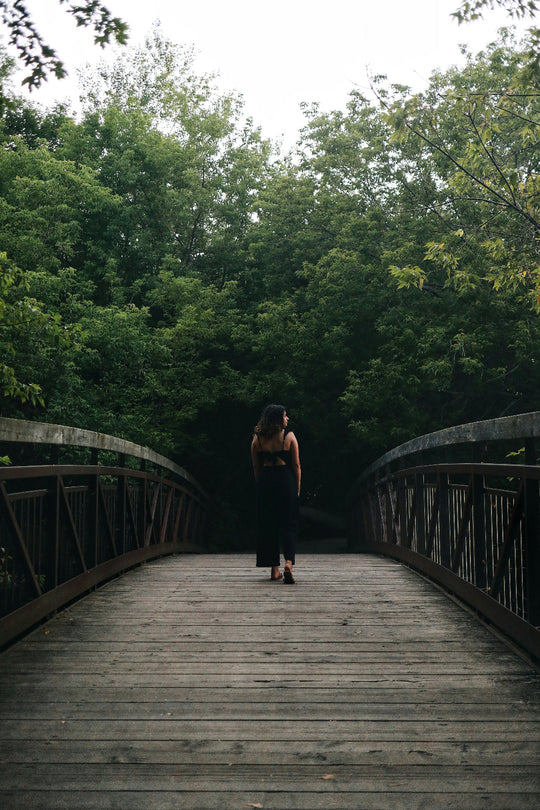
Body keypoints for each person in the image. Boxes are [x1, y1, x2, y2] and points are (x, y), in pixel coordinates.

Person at [251, 403, 301, 583]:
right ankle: (288, 562)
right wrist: (297, 488)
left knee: (268, 524)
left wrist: (260, 484)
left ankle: (274, 569)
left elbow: (256, 465)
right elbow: (296, 465)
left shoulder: (257, 438)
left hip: (265, 481)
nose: (287, 419)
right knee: (289, 522)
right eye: (285, 416)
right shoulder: (289, 436)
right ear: (278, 418)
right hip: (284, 480)